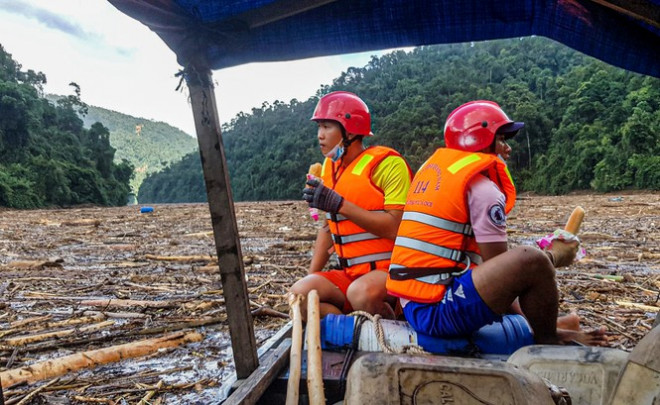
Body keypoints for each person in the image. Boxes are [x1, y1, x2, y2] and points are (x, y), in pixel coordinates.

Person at [386, 100, 606, 346]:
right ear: (480, 141)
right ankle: (549, 339)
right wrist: (553, 256)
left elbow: (497, 277)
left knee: (522, 264)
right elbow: (502, 268)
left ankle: (546, 329)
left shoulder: (436, 178)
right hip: (437, 311)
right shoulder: (483, 190)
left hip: (414, 304)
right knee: (530, 260)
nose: (508, 148)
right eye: (502, 139)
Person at [290, 91, 412, 320]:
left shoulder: (388, 165)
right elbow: (328, 228)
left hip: (393, 271)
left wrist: (340, 204)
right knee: (301, 295)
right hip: (351, 273)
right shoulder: (329, 169)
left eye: (327, 127)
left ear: (351, 131)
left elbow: (396, 228)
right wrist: (313, 276)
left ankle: (390, 320)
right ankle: (352, 327)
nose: (320, 135)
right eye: (319, 127)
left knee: (361, 293)